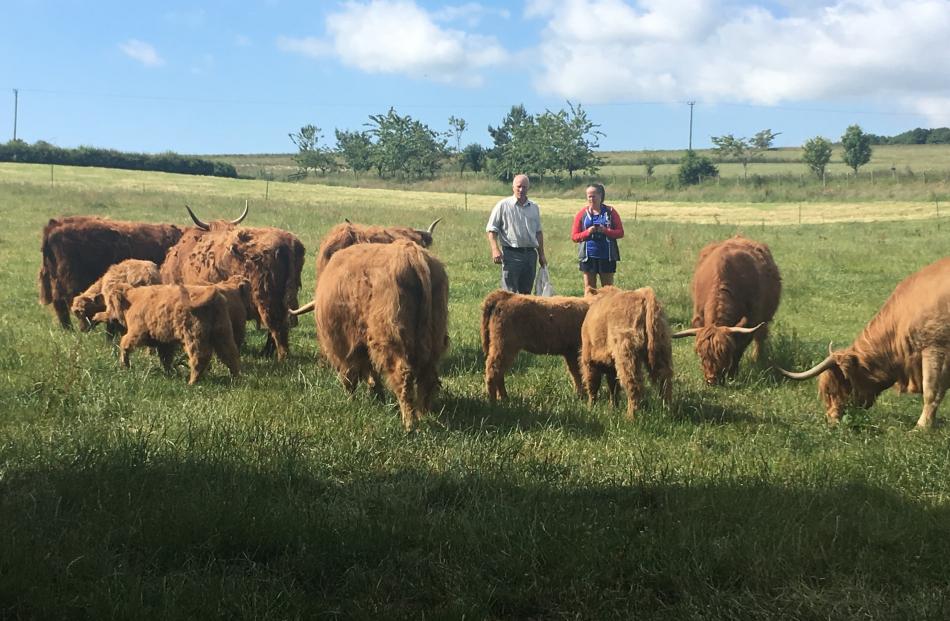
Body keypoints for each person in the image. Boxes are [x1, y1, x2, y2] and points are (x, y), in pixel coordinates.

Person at [486, 173, 547, 294]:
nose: (521, 189)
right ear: (513, 187)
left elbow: (538, 233)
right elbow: (492, 230)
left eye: (524, 187)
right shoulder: (503, 205)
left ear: (528, 188)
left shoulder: (534, 207)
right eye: (518, 186)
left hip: (530, 255)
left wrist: (541, 255)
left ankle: (524, 314)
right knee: (509, 293)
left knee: (526, 294)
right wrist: (495, 249)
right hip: (511, 254)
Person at [571, 183, 624, 289]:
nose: (591, 199)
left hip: (607, 256)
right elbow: (574, 236)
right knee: (590, 288)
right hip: (588, 257)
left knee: (608, 289)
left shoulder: (611, 212)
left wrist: (605, 231)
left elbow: (620, 232)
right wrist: (588, 232)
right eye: (589, 196)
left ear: (601, 196)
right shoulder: (582, 214)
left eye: (594, 196)